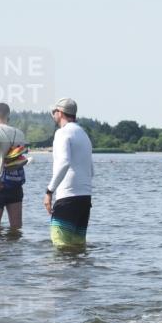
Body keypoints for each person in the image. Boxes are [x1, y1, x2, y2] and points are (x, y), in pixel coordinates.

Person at [44, 98, 94, 249]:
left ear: (60, 113)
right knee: (78, 248)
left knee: (60, 248)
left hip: (68, 197)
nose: (53, 115)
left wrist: (49, 191)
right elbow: (91, 170)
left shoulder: (62, 133)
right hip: (85, 199)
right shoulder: (83, 134)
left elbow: (64, 162)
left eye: (54, 112)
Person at [0, 102, 27, 236]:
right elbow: (20, 157)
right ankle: (13, 255)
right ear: (8, 116)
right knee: (16, 228)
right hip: (15, 182)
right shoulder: (19, 133)